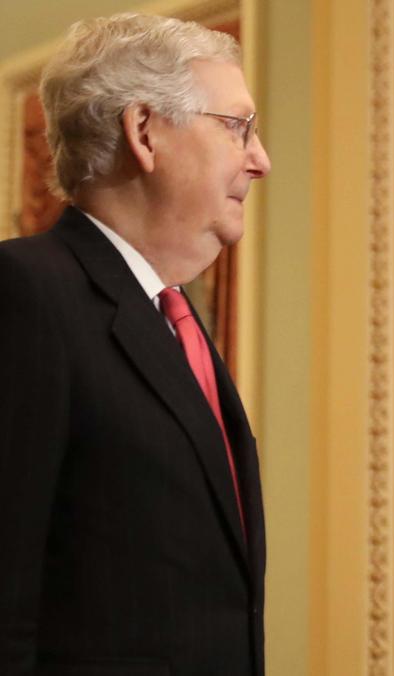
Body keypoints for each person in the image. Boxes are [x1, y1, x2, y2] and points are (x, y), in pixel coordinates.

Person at [0, 13, 271, 676]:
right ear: (144, 131)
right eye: (237, 127)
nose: (260, 160)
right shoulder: (25, 293)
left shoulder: (174, 321)